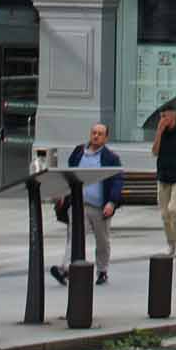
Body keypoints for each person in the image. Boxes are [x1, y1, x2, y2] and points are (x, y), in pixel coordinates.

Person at [51, 122, 122, 288]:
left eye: (100, 133)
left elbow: (117, 180)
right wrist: (63, 193)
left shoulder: (111, 158)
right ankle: (66, 269)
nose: (96, 136)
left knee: (102, 240)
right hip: (78, 205)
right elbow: (69, 175)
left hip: (100, 207)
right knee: (74, 237)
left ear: (106, 138)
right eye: (94, 132)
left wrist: (112, 202)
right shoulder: (78, 153)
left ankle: (102, 271)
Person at [149, 106, 176, 258]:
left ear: (173, 116)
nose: (162, 119)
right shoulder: (161, 133)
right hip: (163, 177)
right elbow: (155, 152)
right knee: (164, 213)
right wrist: (159, 132)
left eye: (165, 116)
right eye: (161, 116)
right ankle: (170, 242)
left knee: (173, 208)